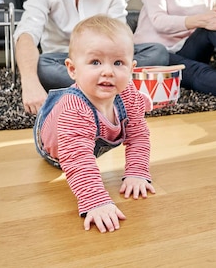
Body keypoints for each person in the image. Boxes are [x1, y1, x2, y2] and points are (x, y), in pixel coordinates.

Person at [14, 0, 168, 115]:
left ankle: (84, 92)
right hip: (63, 60)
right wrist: (29, 84)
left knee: (158, 53)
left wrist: (105, 65)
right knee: (41, 67)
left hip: (106, 60)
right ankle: (115, 91)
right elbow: (27, 33)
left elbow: (120, 36)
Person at [33, 14, 155, 233]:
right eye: (95, 62)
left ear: (132, 69)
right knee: (76, 140)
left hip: (92, 135)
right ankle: (53, 111)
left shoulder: (127, 94)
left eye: (118, 63)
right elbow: (77, 160)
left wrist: (137, 171)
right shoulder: (75, 108)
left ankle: (133, 105)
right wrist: (96, 201)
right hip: (59, 151)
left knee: (129, 113)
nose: (108, 71)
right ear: (72, 69)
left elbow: (138, 135)